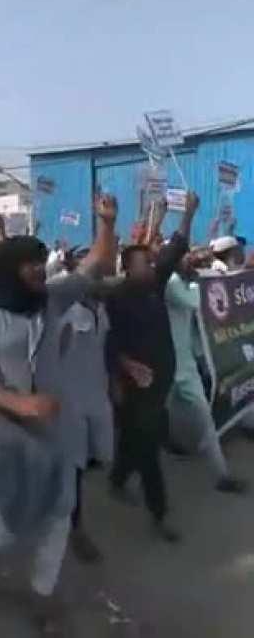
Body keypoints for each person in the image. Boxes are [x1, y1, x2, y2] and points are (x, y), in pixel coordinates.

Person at [0, 196, 117, 635]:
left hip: (55, 436)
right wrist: (19, 403)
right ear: (9, 269)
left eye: (42, 262)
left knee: (59, 515)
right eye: (30, 264)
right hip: (8, 441)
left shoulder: (51, 300)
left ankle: (43, 596)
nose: (40, 271)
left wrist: (106, 221)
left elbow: (95, 264)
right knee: (0, 529)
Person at [106, 192, 199, 542]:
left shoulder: (154, 285)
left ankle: (116, 480)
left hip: (161, 379)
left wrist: (188, 213)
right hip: (135, 385)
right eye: (146, 261)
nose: (153, 264)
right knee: (148, 449)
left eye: (152, 261)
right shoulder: (116, 296)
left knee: (135, 437)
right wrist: (126, 366)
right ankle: (159, 514)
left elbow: (176, 246)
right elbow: (108, 342)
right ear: (129, 267)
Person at [165, 254, 247, 494]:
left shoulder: (184, 282)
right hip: (168, 365)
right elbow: (196, 302)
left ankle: (221, 475)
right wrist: (203, 283)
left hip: (186, 366)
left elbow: (194, 326)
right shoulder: (171, 285)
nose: (191, 264)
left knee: (204, 418)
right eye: (185, 260)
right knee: (153, 416)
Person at [57, 295, 113, 564]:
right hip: (69, 401)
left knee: (85, 461)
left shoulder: (101, 309)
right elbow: (55, 354)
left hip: (94, 396)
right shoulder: (70, 313)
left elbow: (104, 350)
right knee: (73, 467)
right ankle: (74, 527)